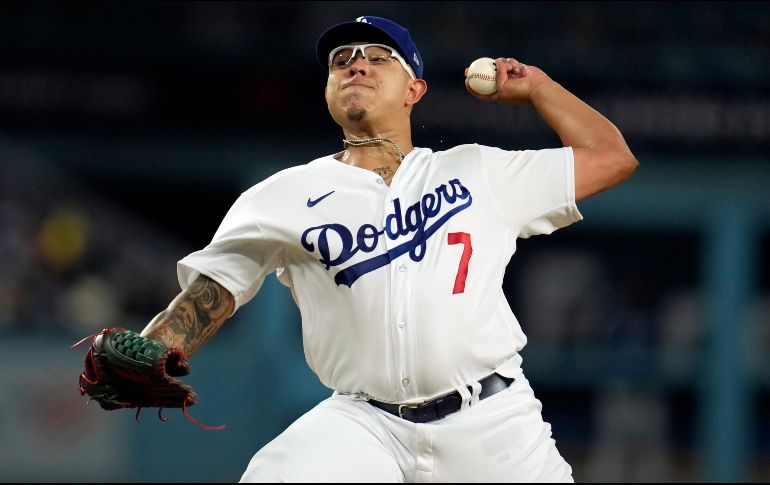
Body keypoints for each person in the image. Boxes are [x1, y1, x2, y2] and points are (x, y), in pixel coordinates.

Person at [139, 15, 638, 482]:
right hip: (363, 423)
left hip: (490, 418)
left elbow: (612, 157)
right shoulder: (282, 196)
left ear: (414, 90)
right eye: (341, 61)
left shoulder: (477, 171)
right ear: (329, 90)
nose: (356, 64)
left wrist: (539, 89)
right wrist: (151, 353)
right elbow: (212, 293)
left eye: (379, 58)